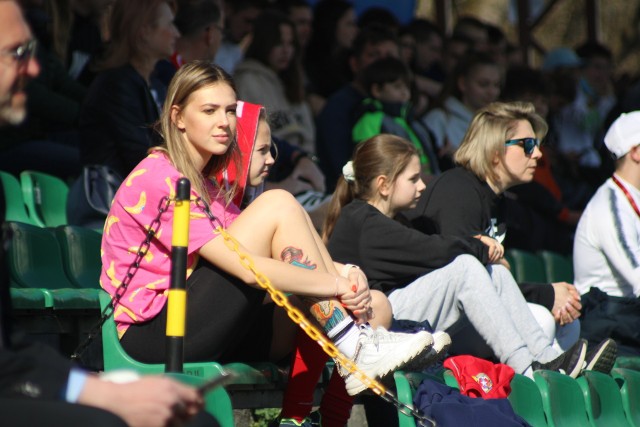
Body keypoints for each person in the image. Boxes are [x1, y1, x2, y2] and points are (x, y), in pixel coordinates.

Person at [100, 61, 433, 405]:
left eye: (230, 110)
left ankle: (344, 364)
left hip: (208, 322)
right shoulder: (159, 175)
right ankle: (354, 344)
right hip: (153, 336)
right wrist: (335, 284)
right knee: (278, 203)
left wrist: (344, 273)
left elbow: (264, 257)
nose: (224, 122)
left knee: (375, 306)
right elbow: (246, 266)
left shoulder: (211, 186)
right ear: (178, 117)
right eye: (209, 110)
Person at [0, 2, 216, 426]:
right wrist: (105, 397)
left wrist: (106, 390)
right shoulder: (117, 85)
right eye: (16, 53)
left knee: (192, 420)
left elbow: (8, 349)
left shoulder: (152, 80)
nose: (35, 69)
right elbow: (147, 162)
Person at [323, 133, 615, 379]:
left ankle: (548, 360)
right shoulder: (361, 219)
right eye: (413, 179)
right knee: (465, 267)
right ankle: (526, 369)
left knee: (496, 272)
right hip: (371, 330)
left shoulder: (388, 219)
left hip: (395, 321)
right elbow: (432, 252)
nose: (422, 186)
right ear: (384, 184)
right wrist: (478, 246)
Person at [405, 102, 619, 367]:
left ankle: (558, 376)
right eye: (528, 145)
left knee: (566, 322)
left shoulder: (497, 200)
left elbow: (491, 281)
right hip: (420, 322)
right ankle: (535, 377)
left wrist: (549, 296)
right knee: (540, 317)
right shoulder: (459, 190)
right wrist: (544, 294)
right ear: (495, 150)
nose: (538, 154)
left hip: (455, 318)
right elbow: (465, 278)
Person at [77, 0, 180, 179]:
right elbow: (140, 157)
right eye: (169, 24)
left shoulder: (155, 84)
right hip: (117, 197)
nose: (176, 34)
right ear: (144, 32)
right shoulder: (115, 85)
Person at [573, 110, 640, 356]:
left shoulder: (631, 198)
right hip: (608, 329)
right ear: (636, 152)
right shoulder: (610, 203)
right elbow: (637, 276)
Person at [315, 24, 400, 192]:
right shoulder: (338, 107)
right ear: (354, 64)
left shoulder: (400, 106)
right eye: (373, 55)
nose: (382, 62)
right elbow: (343, 171)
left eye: (389, 56)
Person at [233, 9, 315, 155]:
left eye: (290, 44)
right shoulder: (246, 79)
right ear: (263, 42)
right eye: (278, 43)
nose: (286, 51)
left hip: (304, 164)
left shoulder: (292, 81)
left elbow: (309, 136)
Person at [352, 56, 439, 177]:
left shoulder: (412, 121)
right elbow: (368, 163)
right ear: (376, 90)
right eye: (397, 86)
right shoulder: (370, 120)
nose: (405, 92)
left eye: (407, 87)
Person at [421, 53, 501, 170]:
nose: (492, 91)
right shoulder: (438, 119)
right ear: (462, 84)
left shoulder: (500, 123)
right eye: (483, 84)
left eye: (496, 85)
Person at [155, 0, 224, 87]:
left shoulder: (160, 68)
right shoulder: (169, 77)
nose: (221, 38)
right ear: (210, 33)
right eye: (221, 31)